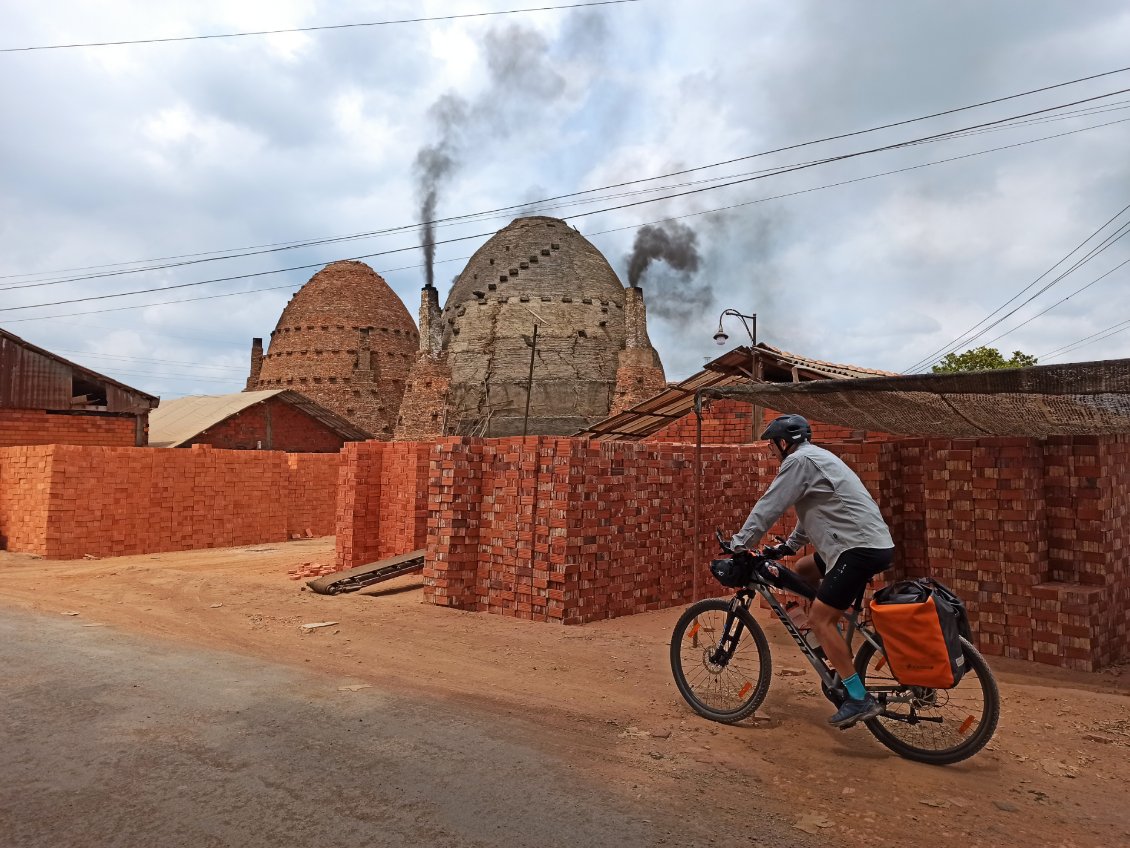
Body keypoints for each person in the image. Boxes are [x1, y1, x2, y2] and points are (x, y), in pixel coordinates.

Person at [731, 413, 894, 728]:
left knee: (822, 618)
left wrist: (741, 544)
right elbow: (812, 512)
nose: (768, 450)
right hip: (864, 544)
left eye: (771, 444)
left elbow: (770, 505)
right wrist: (789, 547)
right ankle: (823, 634)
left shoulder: (798, 462)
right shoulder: (816, 458)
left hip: (856, 549)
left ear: (783, 442)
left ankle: (858, 697)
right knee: (804, 567)